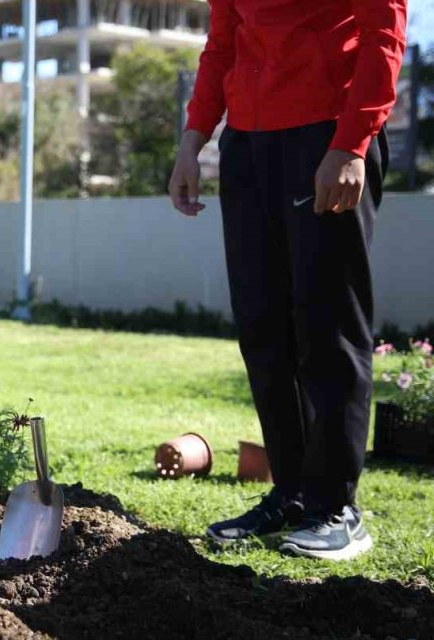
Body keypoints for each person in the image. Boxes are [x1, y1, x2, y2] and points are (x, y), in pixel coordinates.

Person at [168, 0, 406, 560]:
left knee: (327, 326)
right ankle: (293, 494)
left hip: (326, 135)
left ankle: (337, 509)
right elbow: (222, 42)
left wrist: (350, 143)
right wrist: (193, 137)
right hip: (249, 146)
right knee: (263, 328)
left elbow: (384, 33)